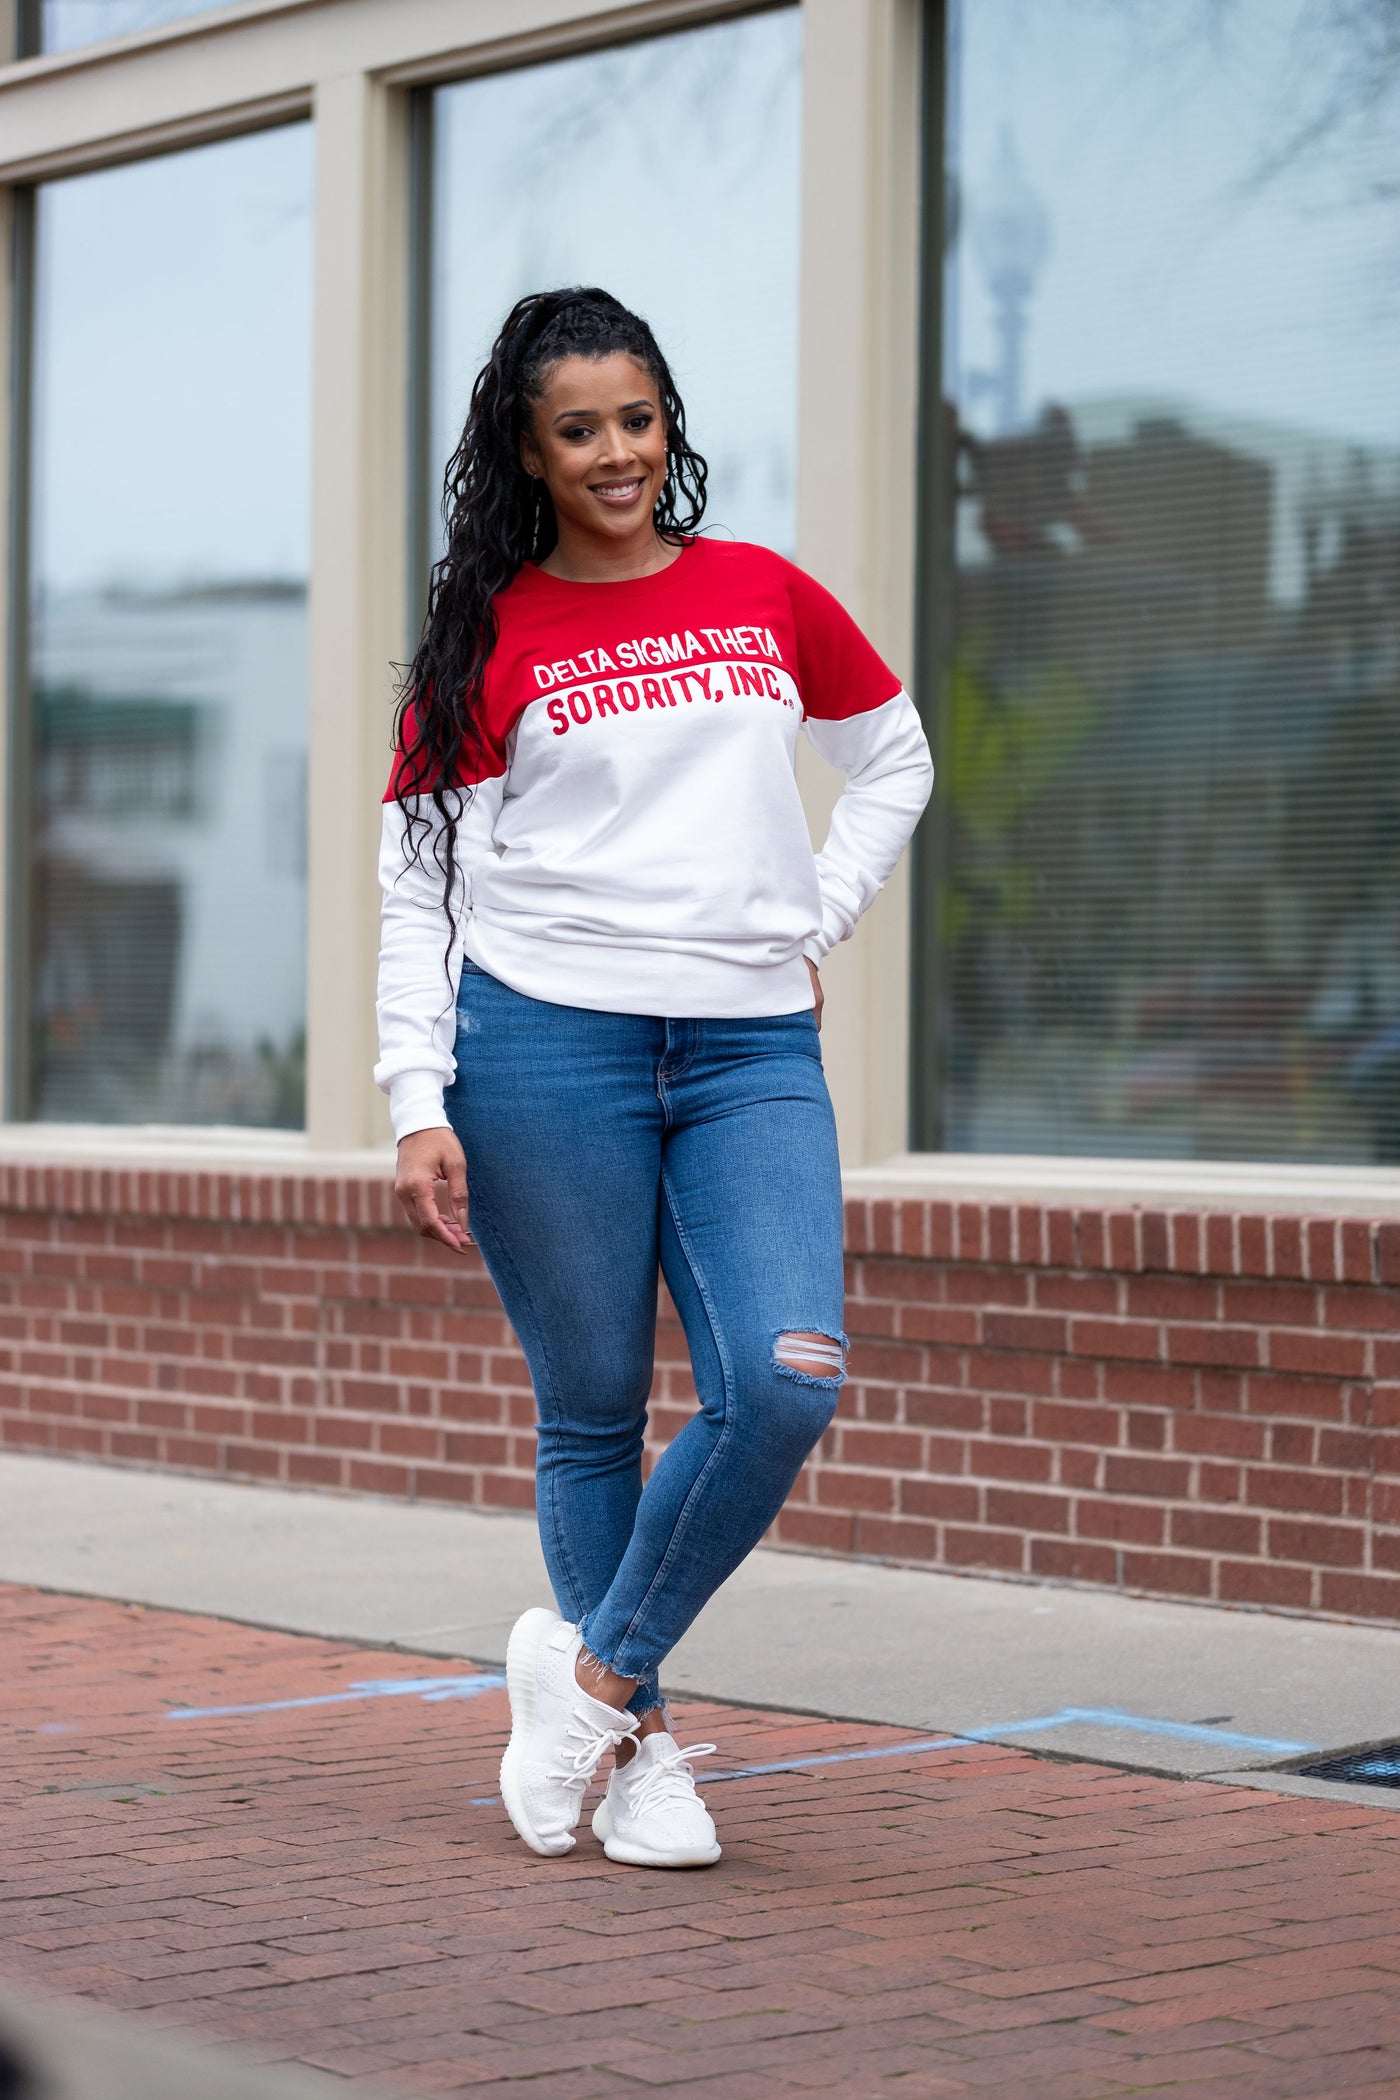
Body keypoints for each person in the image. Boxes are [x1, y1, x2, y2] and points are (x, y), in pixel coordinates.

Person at [376, 287, 933, 1870]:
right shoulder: (486, 639)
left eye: (637, 419)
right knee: (595, 1413)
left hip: (754, 1043)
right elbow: (418, 885)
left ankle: (593, 1683)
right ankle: (648, 1762)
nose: (617, 453)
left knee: (785, 1376)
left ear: (667, 423)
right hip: (545, 1041)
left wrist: (811, 914)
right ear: (531, 454)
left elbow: (894, 758)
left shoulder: (761, 590)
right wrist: (415, 1093)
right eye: (579, 430)